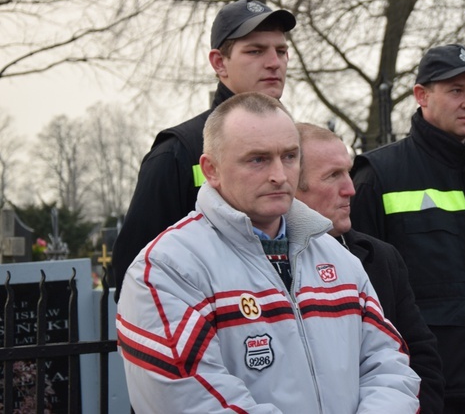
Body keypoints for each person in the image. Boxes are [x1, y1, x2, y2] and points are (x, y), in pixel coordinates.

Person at [116, 92, 420, 413]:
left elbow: (389, 366)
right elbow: (193, 402)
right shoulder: (165, 269)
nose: (279, 175)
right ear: (211, 169)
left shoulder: (339, 259)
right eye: (258, 159)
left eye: (289, 156)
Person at [350, 44, 465, 414]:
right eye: (456, 91)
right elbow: (360, 291)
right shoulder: (380, 175)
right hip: (420, 388)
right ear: (422, 96)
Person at [112, 0, 295, 301]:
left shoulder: (298, 142)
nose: (274, 62)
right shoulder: (177, 151)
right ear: (219, 63)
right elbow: (135, 276)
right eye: (255, 51)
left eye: (281, 50)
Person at [295, 122, 445, 413]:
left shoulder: (381, 258)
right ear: (291, 185)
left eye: (348, 173)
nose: (350, 189)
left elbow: (420, 361)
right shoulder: (260, 266)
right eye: (333, 176)